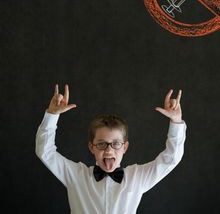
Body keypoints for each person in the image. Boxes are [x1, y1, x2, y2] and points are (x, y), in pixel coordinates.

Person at [35, 84, 187, 214]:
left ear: (125, 147)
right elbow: (45, 152)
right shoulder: (76, 176)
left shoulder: (137, 178)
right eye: (101, 144)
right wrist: (52, 115)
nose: (109, 151)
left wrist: (176, 121)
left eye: (116, 144)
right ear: (91, 147)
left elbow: (170, 159)